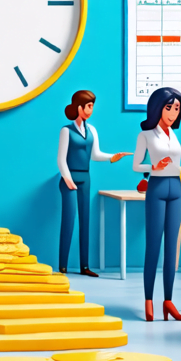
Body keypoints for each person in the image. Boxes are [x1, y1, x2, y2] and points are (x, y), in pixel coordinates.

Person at [57, 90, 131, 276]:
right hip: (70, 178)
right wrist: (67, 178)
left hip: (85, 178)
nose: (91, 110)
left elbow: (95, 154)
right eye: (88, 106)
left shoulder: (92, 130)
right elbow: (61, 159)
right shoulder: (66, 130)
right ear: (79, 107)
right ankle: (63, 265)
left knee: (85, 221)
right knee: (69, 221)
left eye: (92, 106)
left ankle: (84, 266)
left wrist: (113, 157)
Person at [133, 87, 181, 322]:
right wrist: (153, 167)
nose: (173, 113)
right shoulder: (145, 135)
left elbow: (176, 162)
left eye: (177, 108)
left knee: (171, 249)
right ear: (157, 107)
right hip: (156, 188)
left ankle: (168, 301)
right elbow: (137, 165)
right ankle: (148, 300)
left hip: (176, 188)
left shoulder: (173, 135)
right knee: (153, 246)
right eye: (169, 108)